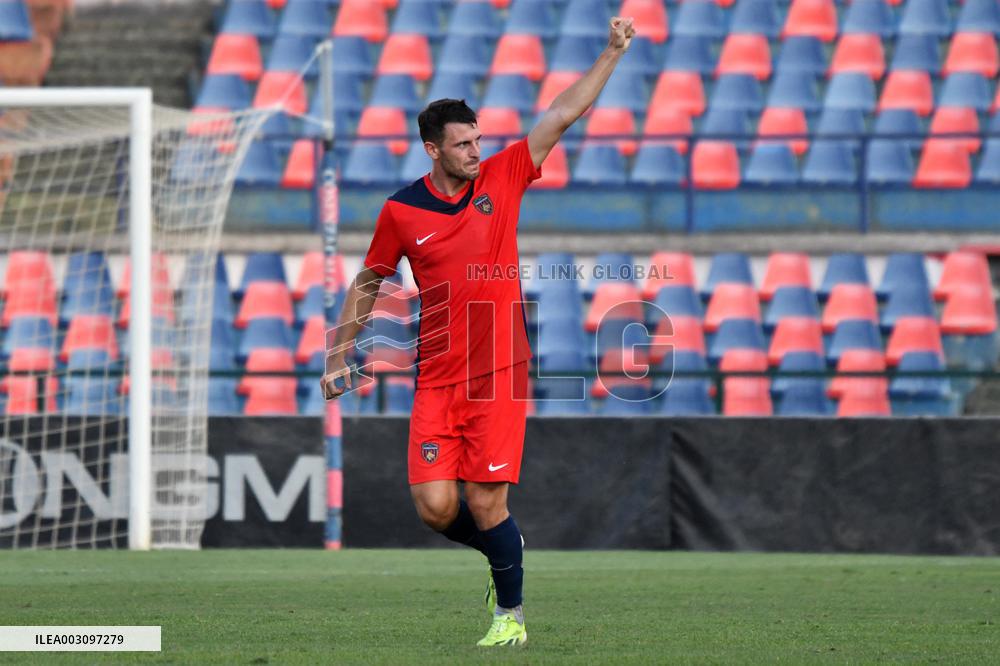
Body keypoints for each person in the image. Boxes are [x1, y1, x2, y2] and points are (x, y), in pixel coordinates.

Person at [321, 17, 636, 647]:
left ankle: (509, 617)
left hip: (498, 374)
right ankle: (503, 554)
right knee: (436, 509)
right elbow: (369, 280)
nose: (475, 151)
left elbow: (561, 114)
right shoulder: (401, 210)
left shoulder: (504, 176)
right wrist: (339, 353)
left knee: (487, 502)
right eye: (463, 143)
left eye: (478, 140)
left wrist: (611, 52)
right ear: (433, 149)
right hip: (436, 378)